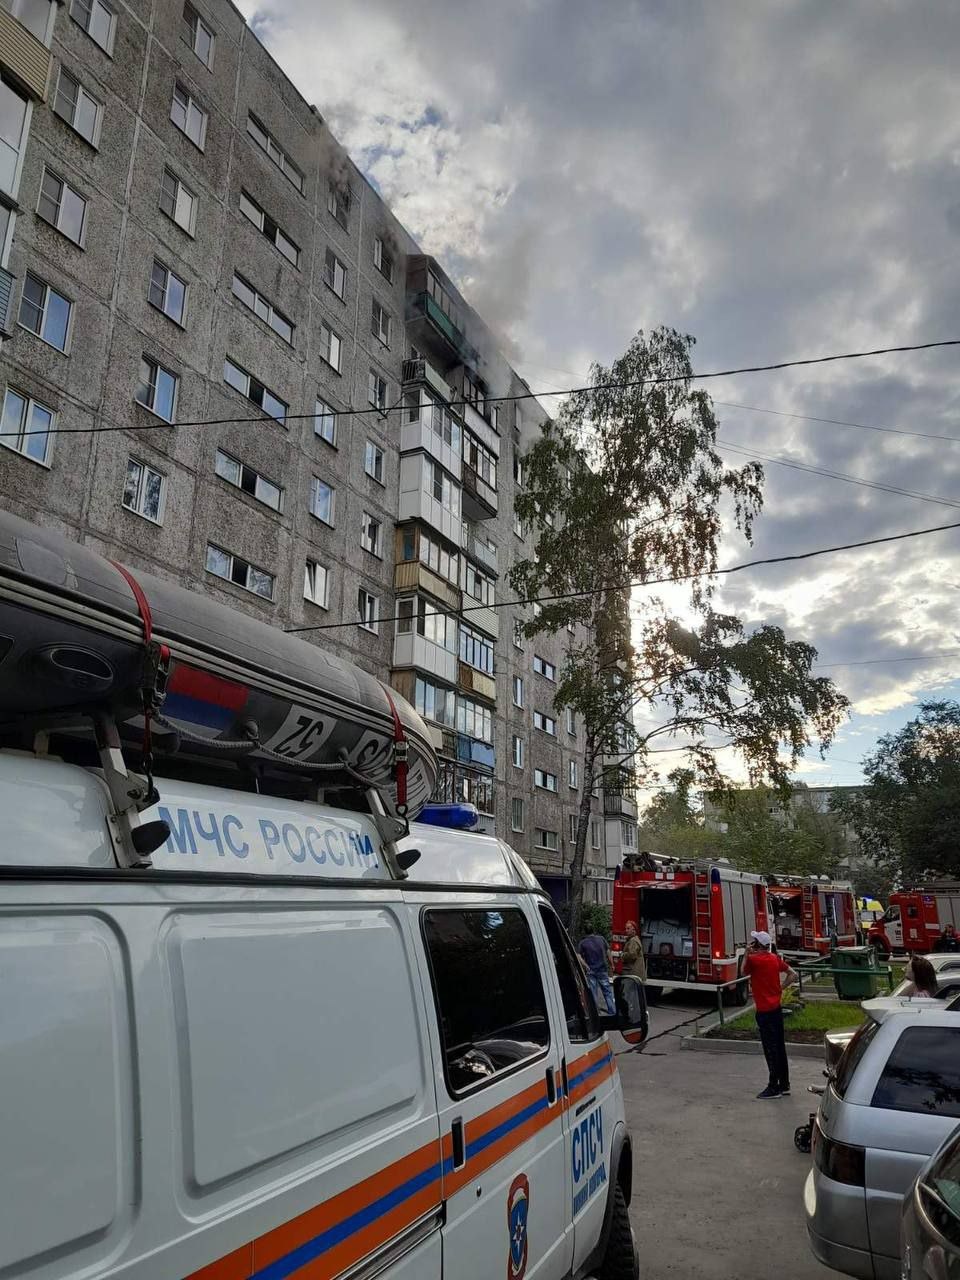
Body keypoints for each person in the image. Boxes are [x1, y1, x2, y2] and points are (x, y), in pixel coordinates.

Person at [742, 930, 798, 1100]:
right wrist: (781, 988)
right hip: (776, 1008)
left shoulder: (754, 960)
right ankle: (785, 1083)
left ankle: (774, 1087)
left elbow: (743, 972)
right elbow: (793, 974)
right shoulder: (774, 959)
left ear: (757, 945)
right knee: (779, 1047)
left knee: (770, 1049)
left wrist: (746, 953)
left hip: (764, 1011)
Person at [579, 931, 616, 1015]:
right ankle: (612, 1011)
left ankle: (596, 1013)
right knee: (607, 992)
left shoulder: (583, 943)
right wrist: (612, 964)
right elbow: (608, 952)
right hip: (602, 970)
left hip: (591, 971)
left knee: (593, 992)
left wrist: (585, 965)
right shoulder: (601, 939)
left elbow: (579, 956)